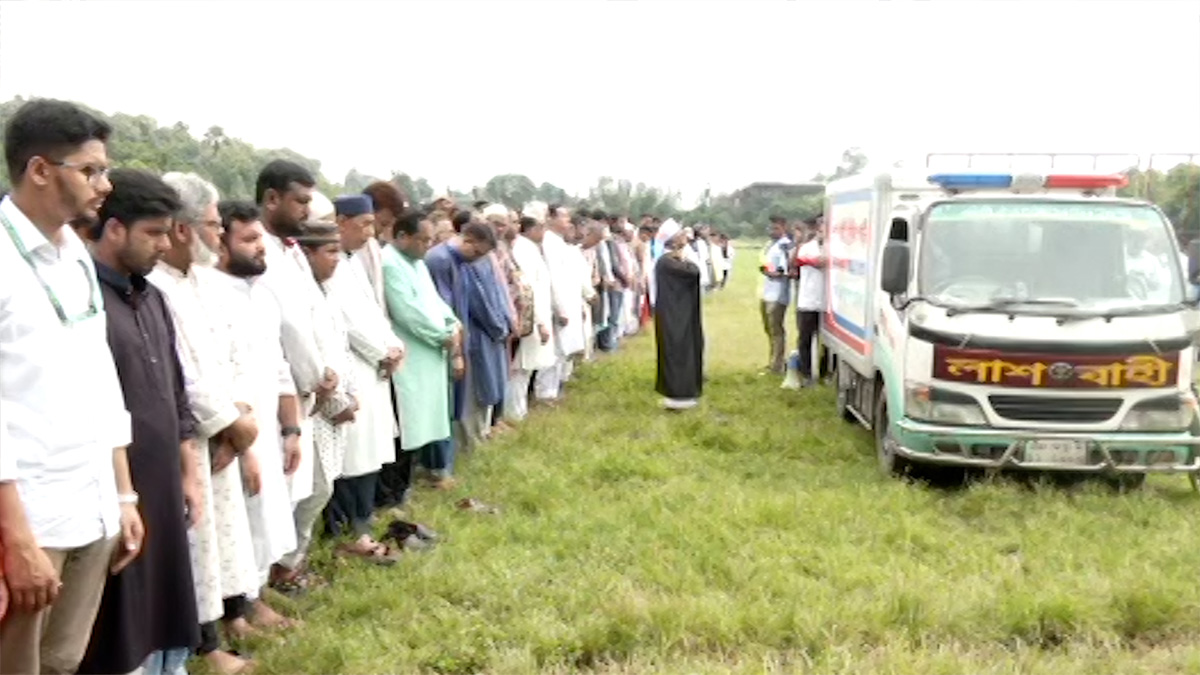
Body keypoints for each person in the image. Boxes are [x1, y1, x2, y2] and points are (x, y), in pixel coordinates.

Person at [0, 98, 143, 675]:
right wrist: (17, 539)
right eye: (91, 170)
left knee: (63, 662)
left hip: (91, 504)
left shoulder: (75, 256)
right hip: (31, 518)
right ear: (39, 170)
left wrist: (123, 495)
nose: (105, 185)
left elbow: (100, 377)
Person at [77, 169, 201, 675]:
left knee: (167, 606)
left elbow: (176, 392)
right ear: (114, 229)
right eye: (153, 233)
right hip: (113, 489)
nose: (165, 245)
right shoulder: (84, 302)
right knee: (118, 622)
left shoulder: (153, 298)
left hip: (164, 485)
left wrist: (188, 472)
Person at [150, 172, 259, 674]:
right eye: (213, 225)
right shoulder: (157, 286)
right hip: (193, 437)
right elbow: (182, 373)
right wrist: (226, 423)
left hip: (226, 434)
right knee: (195, 545)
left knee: (221, 543)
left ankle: (228, 623)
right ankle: (202, 645)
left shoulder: (207, 282)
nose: (219, 235)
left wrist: (241, 418)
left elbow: (235, 356)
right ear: (182, 228)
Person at [212, 200, 299, 631]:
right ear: (220, 243)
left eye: (260, 238)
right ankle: (236, 612)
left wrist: (292, 428)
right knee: (240, 523)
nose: (259, 247)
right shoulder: (210, 296)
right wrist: (241, 441)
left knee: (266, 517)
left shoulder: (263, 296)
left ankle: (256, 596)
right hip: (233, 433)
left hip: (267, 426)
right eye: (248, 239)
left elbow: (280, 367)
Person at [381, 210, 462, 506]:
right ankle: (393, 495)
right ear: (402, 236)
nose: (428, 245)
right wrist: (441, 335)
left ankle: (405, 487)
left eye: (430, 240)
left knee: (422, 423)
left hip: (430, 357)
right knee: (407, 426)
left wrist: (452, 323)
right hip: (411, 359)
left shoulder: (417, 263)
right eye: (423, 239)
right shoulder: (390, 263)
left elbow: (434, 301)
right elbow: (407, 312)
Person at [424, 221, 498, 462]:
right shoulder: (440, 260)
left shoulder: (461, 261)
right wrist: (455, 351)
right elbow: (443, 309)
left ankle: (451, 456)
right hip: (443, 343)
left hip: (458, 341)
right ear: (467, 240)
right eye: (476, 252)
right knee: (443, 403)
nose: (477, 259)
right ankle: (437, 464)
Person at [506, 216, 557, 422]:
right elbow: (527, 289)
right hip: (528, 317)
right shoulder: (522, 249)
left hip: (537, 314)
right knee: (520, 367)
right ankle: (514, 414)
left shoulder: (529, 247)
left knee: (526, 368)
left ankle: (520, 411)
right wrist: (539, 321)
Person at [654, 220, 704, 410]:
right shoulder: (667, 262)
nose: (685, 237)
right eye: (681, 235)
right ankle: (678, 395)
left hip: (680, 313)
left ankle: (685, 392)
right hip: (673, 315)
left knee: (685, 348)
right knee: (677, 350)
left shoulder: (673, 260)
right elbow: (693, 272)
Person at [794, 218, 829, 387]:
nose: (823, 233)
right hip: (808, 301)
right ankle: (806, 373)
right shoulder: (807, 248)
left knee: (826, 343)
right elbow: (801, 260)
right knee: (805, 339)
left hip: (827, 304)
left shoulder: (833, 248)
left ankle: (823, 374)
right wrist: (817, 261)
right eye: (821, 229)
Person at [759, 215, 791, 374]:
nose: (772, 231)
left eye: (776, 228)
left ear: (784, 228)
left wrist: (771, 273)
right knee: (769, 329)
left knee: (776, 329)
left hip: (778, 294)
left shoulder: (785, 246)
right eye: (771, 228)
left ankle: (777, 364)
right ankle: (772, 360)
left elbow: (784, 270)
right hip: (766, 291)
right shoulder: (771, 245)